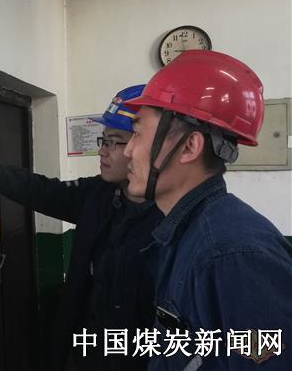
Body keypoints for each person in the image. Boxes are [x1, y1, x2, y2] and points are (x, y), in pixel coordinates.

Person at [0, 85, 163, 371]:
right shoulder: (99, 194)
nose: (102, 151)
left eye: (115, 142)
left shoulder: (173, 218)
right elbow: (41, 190)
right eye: (103, 140)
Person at [122, 50, 292, 370]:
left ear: (189, 147)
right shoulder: (188, 232)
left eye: (138, 132)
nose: (128, 151)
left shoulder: (230, 255)